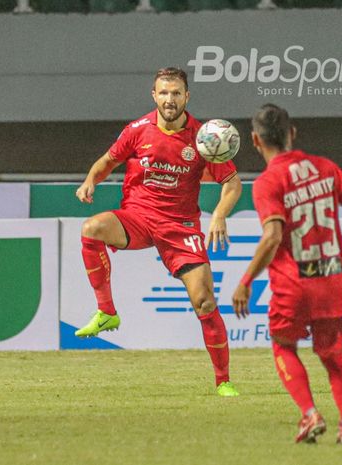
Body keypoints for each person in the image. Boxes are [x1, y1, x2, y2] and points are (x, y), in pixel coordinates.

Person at [232, 104, 342, 442]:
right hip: (334, 276)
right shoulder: (324, 168)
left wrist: (246, 281)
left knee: (283, 346)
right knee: (333, 357)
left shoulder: (268, 182)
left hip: (295, 282)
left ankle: (310, 415)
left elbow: (273, 236)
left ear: (255, 140)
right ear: (292, 133)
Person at [75, 67, 242, 397]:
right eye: (164, 93)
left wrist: (219, 215)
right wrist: (90, 179)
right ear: (154, 95)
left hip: (180, 227)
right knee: (91, 229)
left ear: (186, 97)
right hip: (137, 217)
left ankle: (223, 381)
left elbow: (232, 184)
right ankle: (107, 312)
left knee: (205, 303)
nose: (170, 99)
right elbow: (107, 161)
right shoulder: (137, 130)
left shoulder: (203, 137)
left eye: (176, 93)